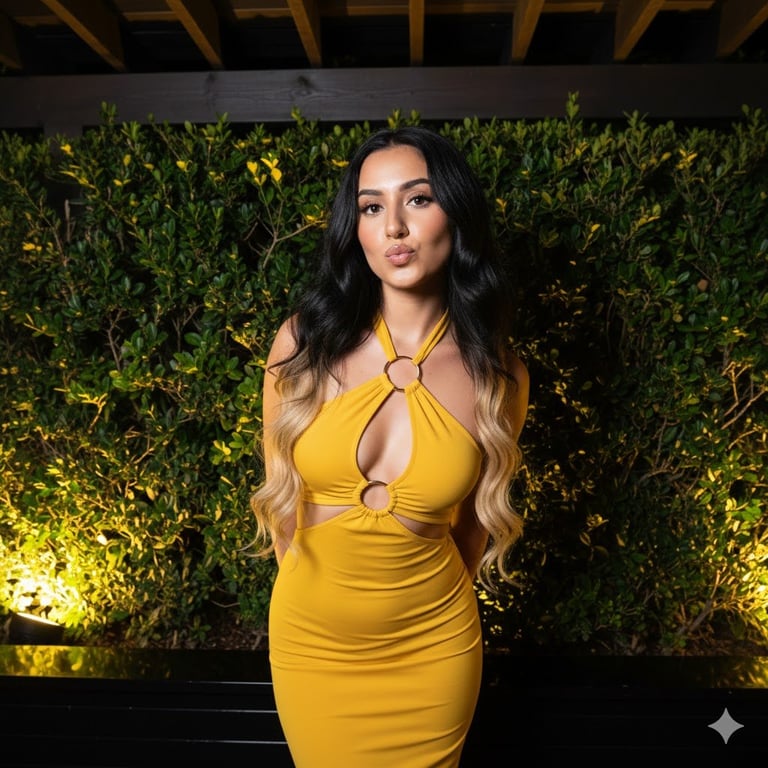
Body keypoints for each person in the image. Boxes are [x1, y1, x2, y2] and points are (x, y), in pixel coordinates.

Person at [250, 125, 529, 767]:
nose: (394, 227)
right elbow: (283, 500)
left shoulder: (499, 373)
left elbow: (473, 530)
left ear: (456, 214)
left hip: (434, 648)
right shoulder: (302, 344)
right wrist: (320, 600)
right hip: (313, 645)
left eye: (418, 199)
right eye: (372, 207)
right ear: (356, 229)